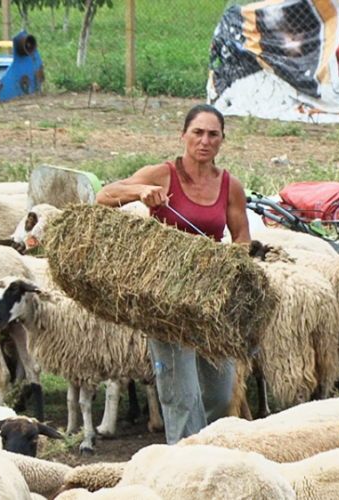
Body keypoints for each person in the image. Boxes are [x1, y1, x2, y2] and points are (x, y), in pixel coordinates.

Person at [95, 104, 251, 444]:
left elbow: (242, 238)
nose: (205, 141)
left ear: (222, 141)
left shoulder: (230, 186)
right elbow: (103, 196)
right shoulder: (162, 174)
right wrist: (139, 193)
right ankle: (184, 467)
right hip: (168, 300)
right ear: (183, 135)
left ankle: (213, 456)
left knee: (220, 395)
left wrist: (229, 259)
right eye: (198, 132)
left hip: (212, 299)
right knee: (182, 397)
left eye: (213, 134)